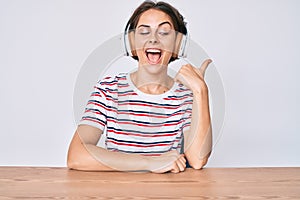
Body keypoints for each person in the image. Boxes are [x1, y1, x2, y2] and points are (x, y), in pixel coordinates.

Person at [67, 0, 212, 173]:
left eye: (164, 32)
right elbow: (76, 155)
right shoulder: (108, 89)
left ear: (177, 46)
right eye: (144, 32)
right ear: (132, 44)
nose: (153, 39)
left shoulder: (185, 96)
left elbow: (197, 160)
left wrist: (200, 90)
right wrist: (150, 162)